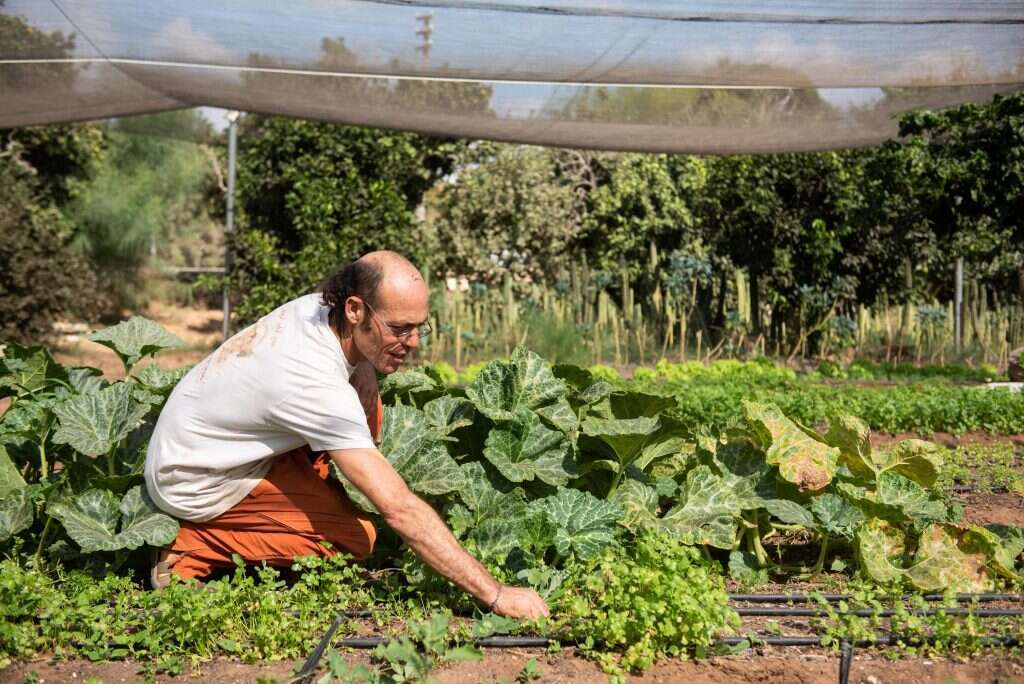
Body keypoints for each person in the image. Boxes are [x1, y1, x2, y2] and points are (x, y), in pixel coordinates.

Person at [144, 251, 549, 619]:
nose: (413, 342)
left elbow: (353, 374)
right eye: (399, 328)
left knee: (363, 407)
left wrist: (367, 368)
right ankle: (190, 546)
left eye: (419, 327)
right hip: (195, 479)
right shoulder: (313, 382)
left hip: (211, 442)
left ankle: (296, 504)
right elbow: (399, 508)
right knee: (356, 537)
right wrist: (495, 593)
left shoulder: (321, 311)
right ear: (355, 309)